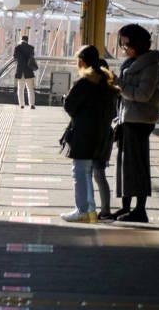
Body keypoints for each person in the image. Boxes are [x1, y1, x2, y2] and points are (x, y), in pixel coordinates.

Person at [60, 45, 117, 223]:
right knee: (88, 172)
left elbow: (69, 105)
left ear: (82, 61)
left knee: (80, 172)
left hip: (84, 133)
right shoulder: (107, 82)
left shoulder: (85, 82)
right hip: (102, 134)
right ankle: (91, 211)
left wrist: (80, 115)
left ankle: (82, 210)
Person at [111, 23, 159, 223]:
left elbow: (142, 95)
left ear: (137, 43)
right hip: (127, 118)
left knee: (137, 166)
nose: (123, 48)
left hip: (139, 120)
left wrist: (119, 83)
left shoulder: (150, 66)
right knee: (124, 165)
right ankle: (125, 207)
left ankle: (140, 210)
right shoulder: (131, 62)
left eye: (125, 44)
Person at [93, 58, 120, 221]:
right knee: (99, 173)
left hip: (94, 134)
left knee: (88, 172)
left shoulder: (93, 89)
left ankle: (89, 208)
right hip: (106, 133)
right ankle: (105, 208)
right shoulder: (112, 90)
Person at [14, 35, 36, 109]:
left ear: (21, 40)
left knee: (20, 89)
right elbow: (32, 58)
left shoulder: (17, 47)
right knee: (30, 89)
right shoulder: (31, 48)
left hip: (20, 71)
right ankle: (32, 104)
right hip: (29, 71)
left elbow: (15, 57)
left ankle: (22, 104)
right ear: (27, 40)